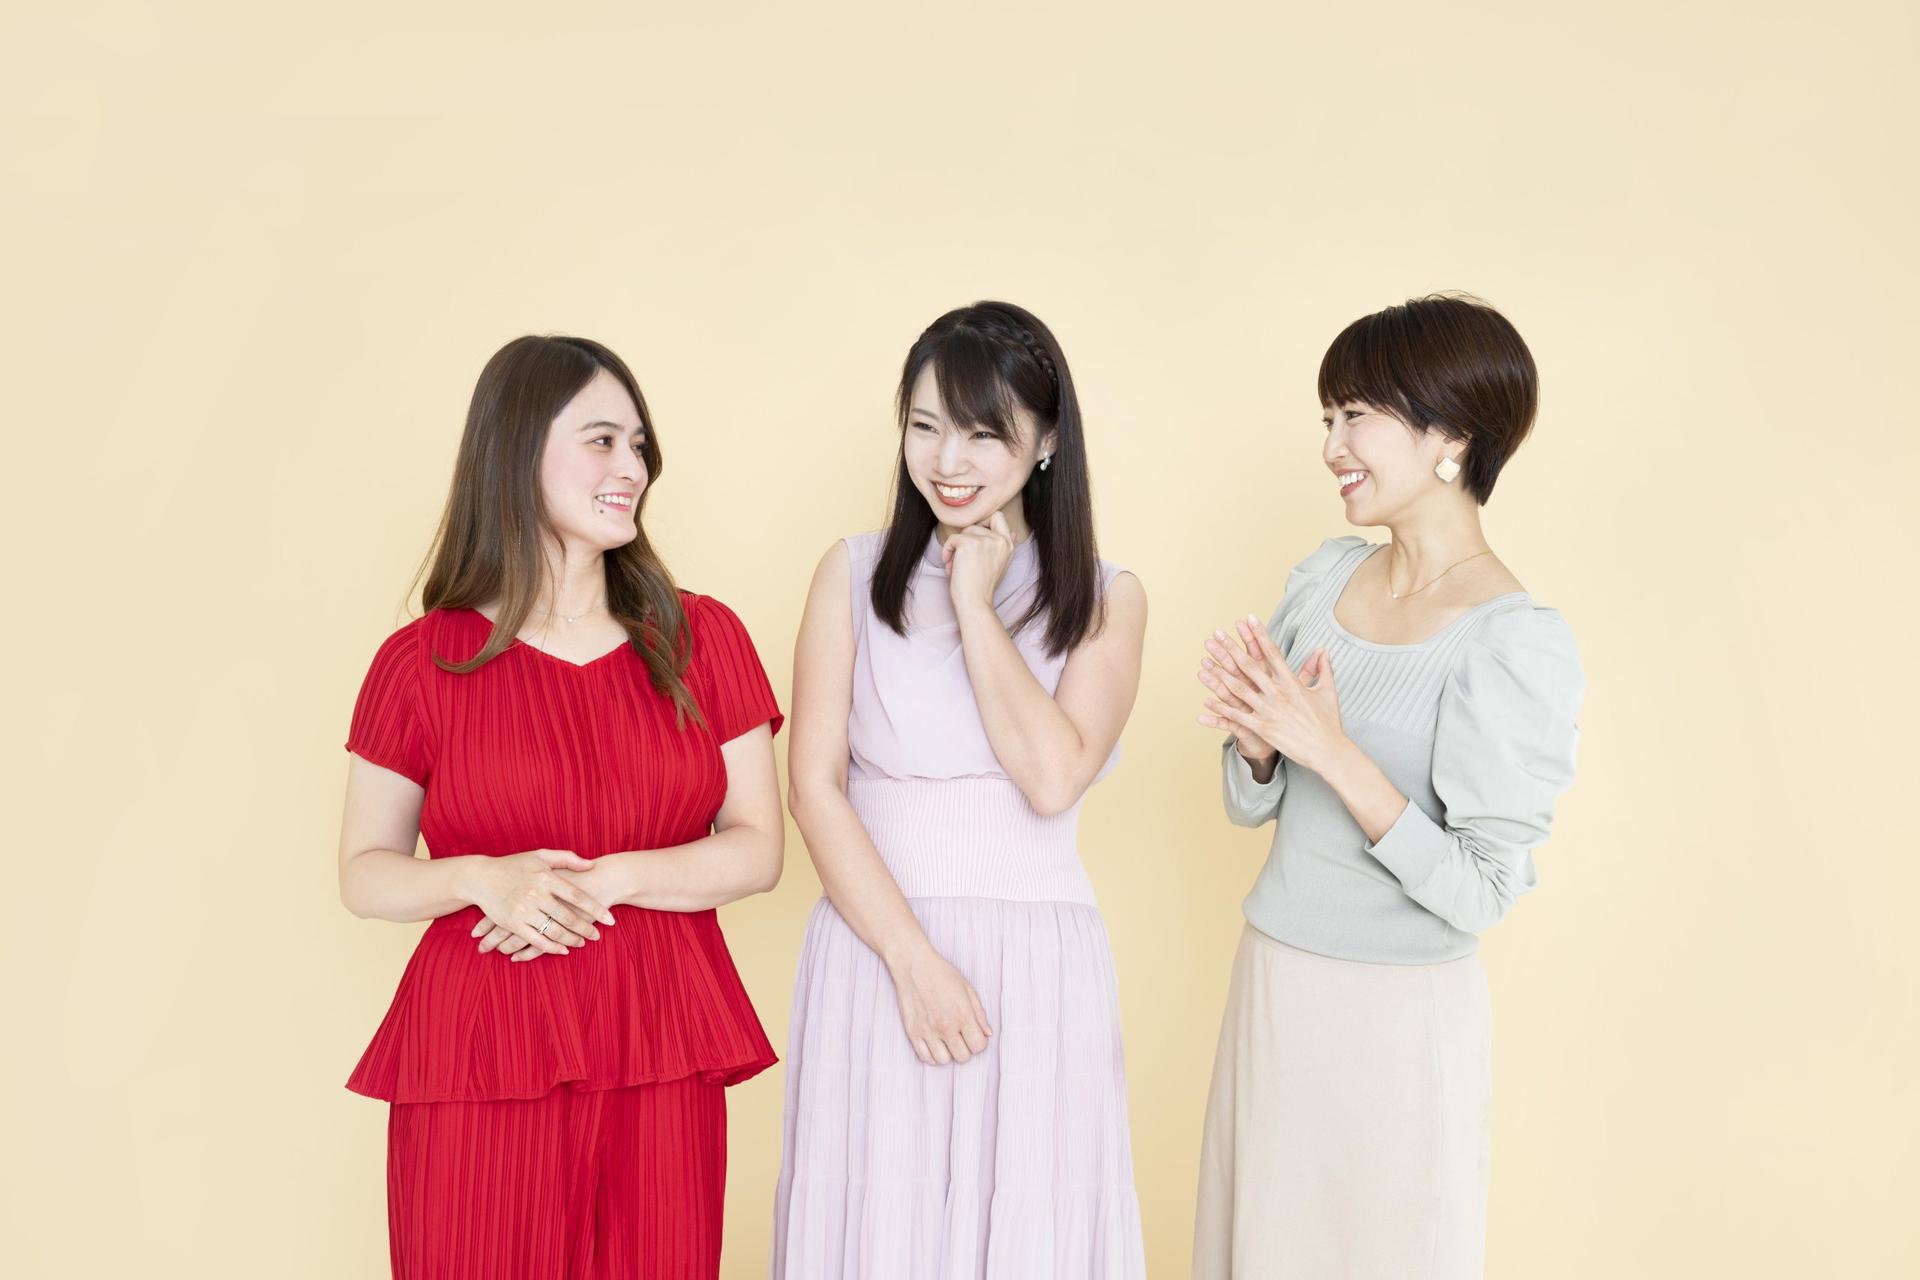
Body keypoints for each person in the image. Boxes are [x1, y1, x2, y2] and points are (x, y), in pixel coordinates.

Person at [337, 335, 785, 1280]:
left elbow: (757, 850)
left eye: (639, 445)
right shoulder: (418, 664)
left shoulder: (705, 638)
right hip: (478, 1042)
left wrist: (603, 881)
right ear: (516, 449)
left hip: (661, 1029)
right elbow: (365, 873)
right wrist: (482, 881)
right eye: (602, 441)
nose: (633, 469)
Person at [1192, 294, 1586, 1278]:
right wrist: (1260, 746)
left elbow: (1481, 890)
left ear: (1451, 434)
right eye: (1328, 417)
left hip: (1399, 1023)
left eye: (1356, 415)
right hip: (1277, 983)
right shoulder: (1325, 578)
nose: (1332, 445)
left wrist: (1335, 754)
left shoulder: (1513, 641)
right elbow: (1252, 803)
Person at [771, 301, 1149, 1277]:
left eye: (985, 433)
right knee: (878, 1231)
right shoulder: (850, 573)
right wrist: (910, 960)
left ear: (1048, 439)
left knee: (1028, 1233)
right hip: (876, 945)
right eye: (926, 425)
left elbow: (1052, 776)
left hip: (1037, 963)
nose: (948, 459)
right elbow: (813, 788)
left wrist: (976, 602)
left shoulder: (1108, 596)